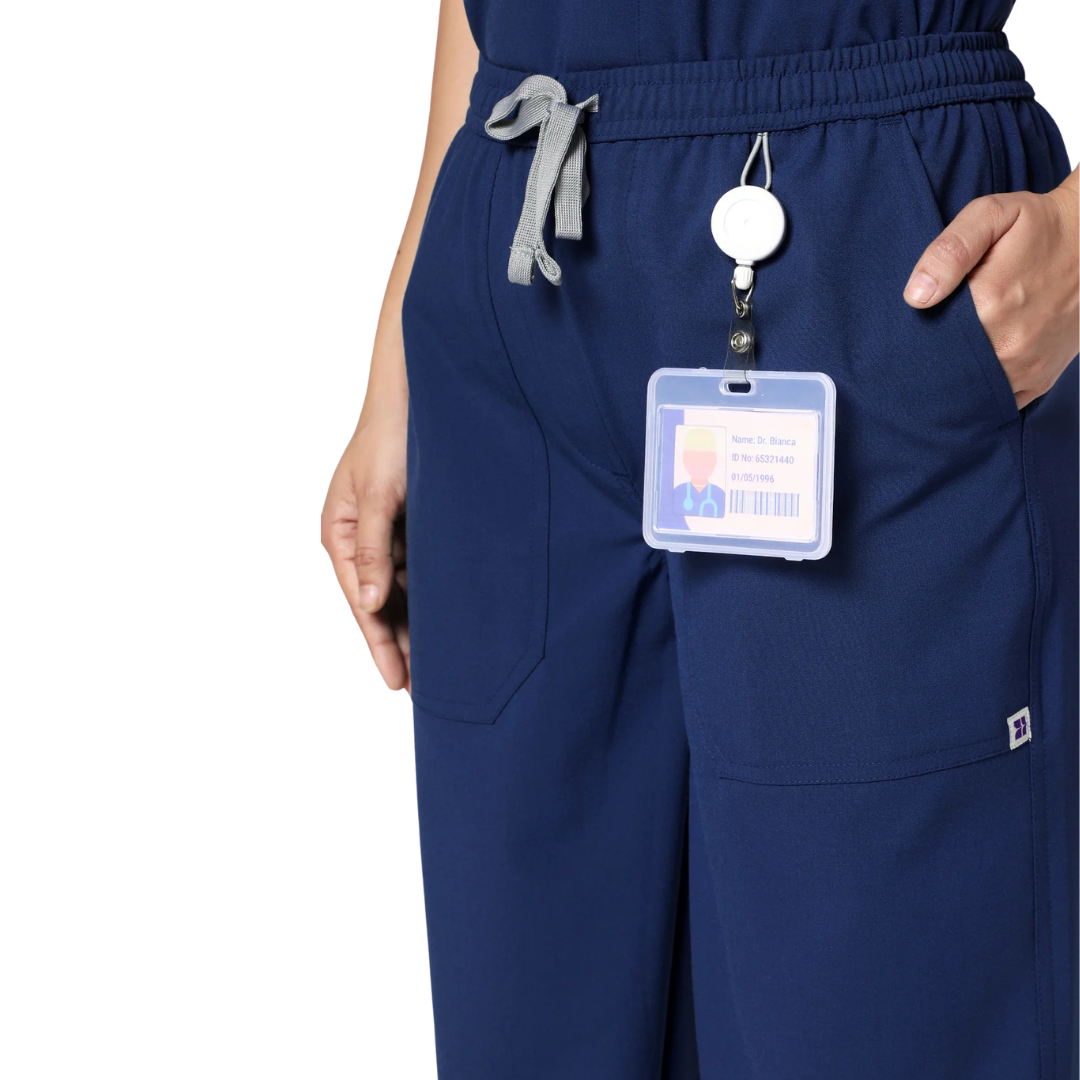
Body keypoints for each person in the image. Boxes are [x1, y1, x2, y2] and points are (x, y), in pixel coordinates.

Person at [322, 0, 1079, 1076]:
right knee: (530, 1025)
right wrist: (400, 358)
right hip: (523, 240)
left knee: (876, 1015)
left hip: (868, 233)